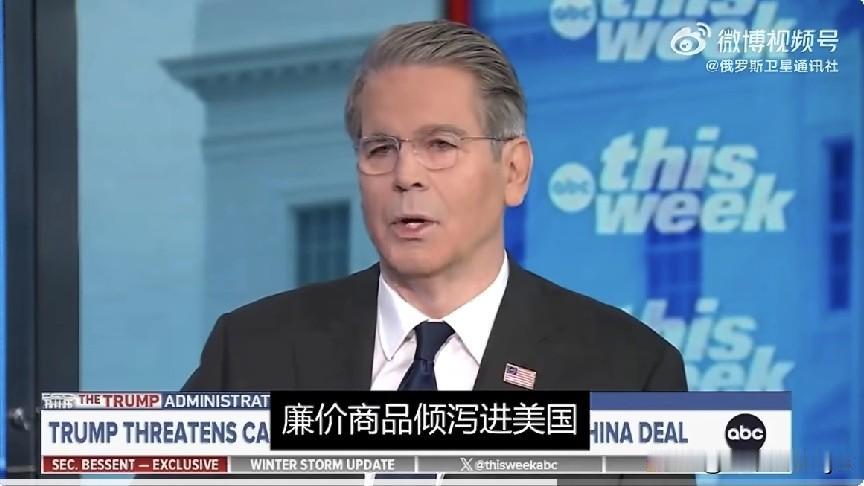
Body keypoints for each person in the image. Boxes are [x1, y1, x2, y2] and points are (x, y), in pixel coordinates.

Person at [184, 19, 692, 486]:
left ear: (513, 170)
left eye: (441, 145)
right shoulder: (249, 352)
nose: (406, 175)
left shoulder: (631, 374)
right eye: (380, 149)